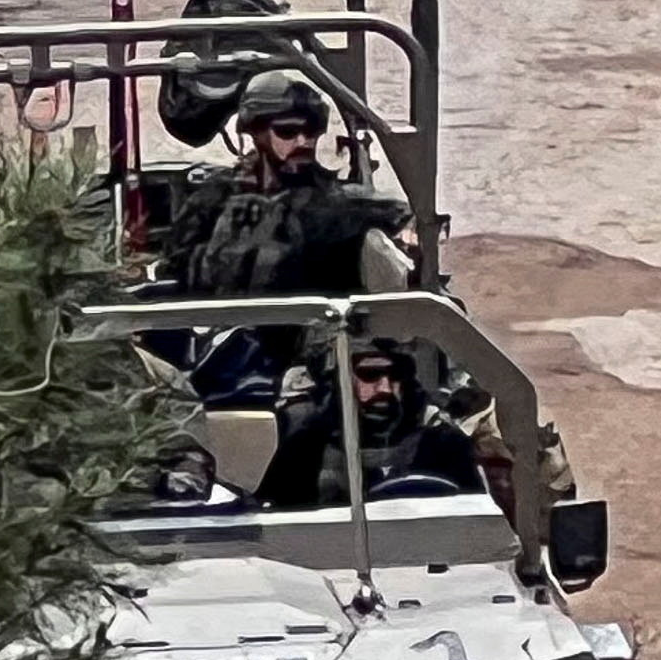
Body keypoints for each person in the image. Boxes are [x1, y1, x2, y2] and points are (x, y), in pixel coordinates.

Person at [156, 71, 412, 303]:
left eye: (311, 131)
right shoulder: (213, 199)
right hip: (225, 337)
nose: (303, 142)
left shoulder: (335, 203)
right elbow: (174, 272)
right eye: (287, 131)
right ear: (255, 133)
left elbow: (376, 215)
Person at [263, 332, 496, 508]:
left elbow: (477, 520)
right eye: (370, 374)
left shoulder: (443, 443)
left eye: (395, 375)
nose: (385, 388)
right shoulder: (305, 446)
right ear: (339, 378)